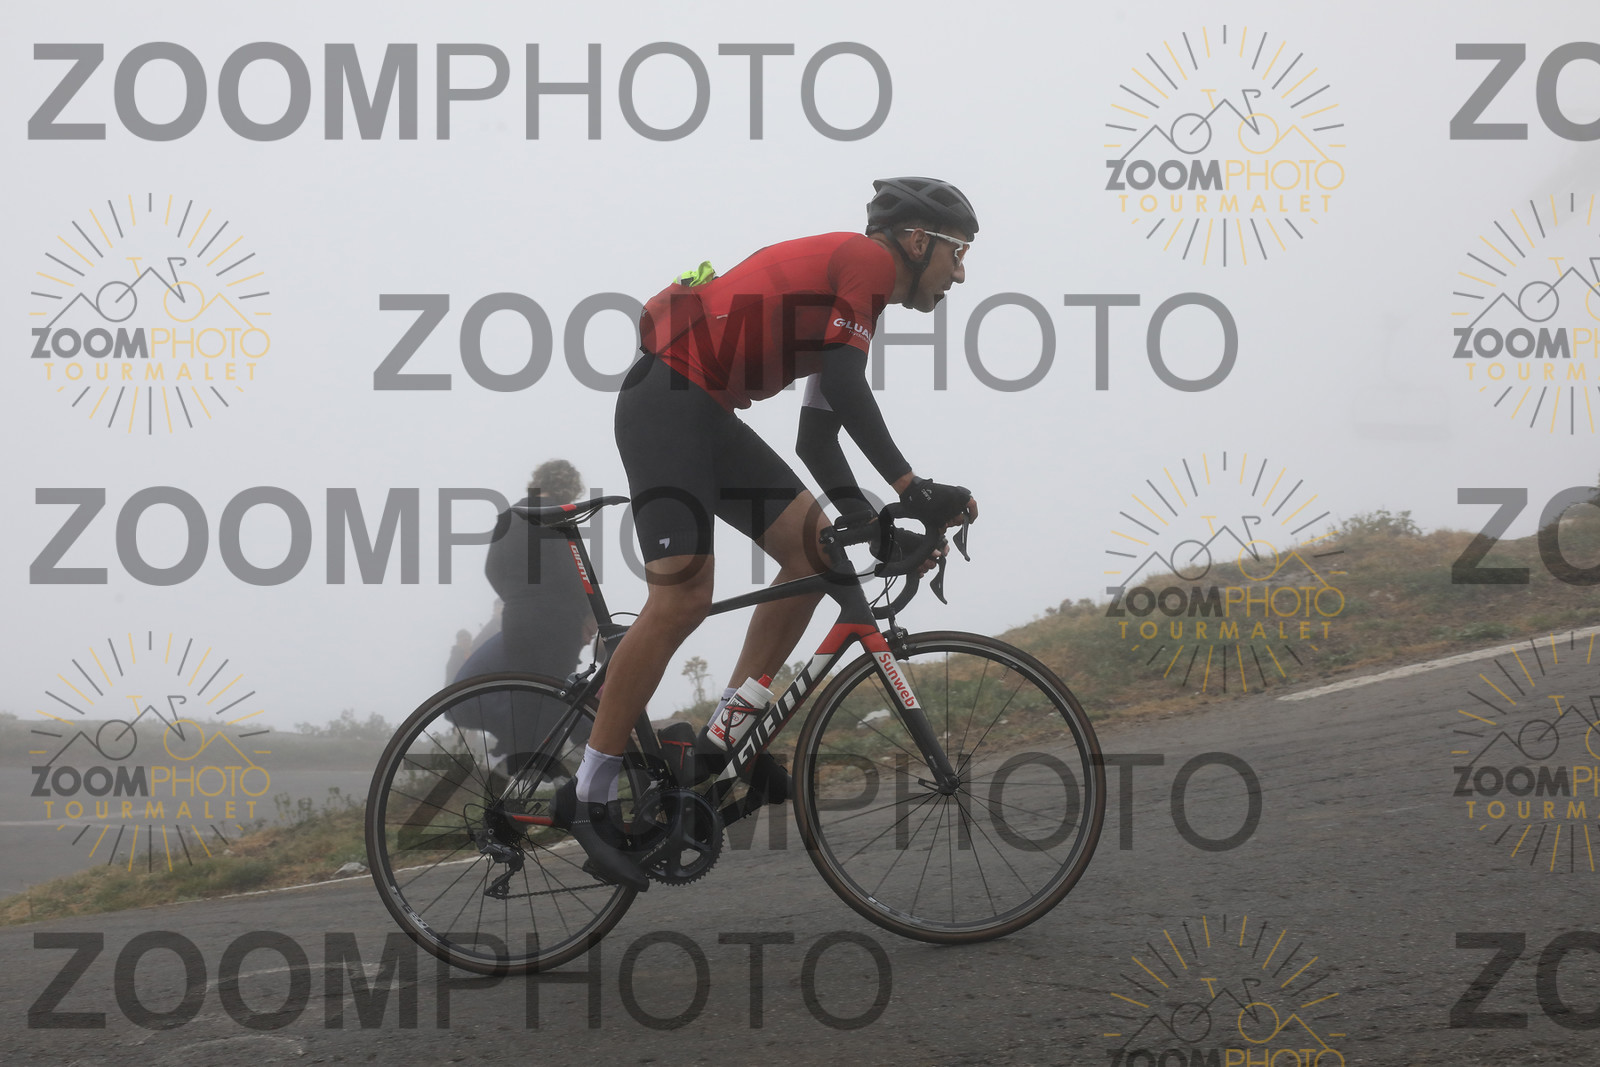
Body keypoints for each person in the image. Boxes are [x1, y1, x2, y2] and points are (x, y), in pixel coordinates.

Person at [557, 178, 982, 890]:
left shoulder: (856, 302)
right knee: (682, 598)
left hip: (703, 410)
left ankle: (726, 736)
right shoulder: (865, 262)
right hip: (668, 401)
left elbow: (818, 436)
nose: (960, 273)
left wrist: (875, 524)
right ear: (918, 241)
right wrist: (911, 490)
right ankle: (588, 795)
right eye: (958, 252)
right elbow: (845, 389)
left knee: (815, 550)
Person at [446, 460, 597, 759]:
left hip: (518, 617)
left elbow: (491, 569)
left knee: (524, 696)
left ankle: (518, 769)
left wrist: (517, 598)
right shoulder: (559, 514)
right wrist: (588, 615)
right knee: (555, 694)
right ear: (568, 488)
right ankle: (544, 765)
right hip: (559, 618)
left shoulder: (509, 516)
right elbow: (574, 572)